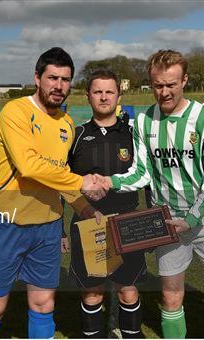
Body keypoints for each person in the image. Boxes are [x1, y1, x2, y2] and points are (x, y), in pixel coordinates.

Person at [95, 50, 204, 338]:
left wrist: (193, 218)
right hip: (168, 222)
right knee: (171, 300)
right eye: (158, 85)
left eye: (171, 84)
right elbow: (143, 173)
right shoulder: (144, 122)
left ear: (184, 80)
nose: (164, 92)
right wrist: (108, 182)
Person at [0, 47, 105, 339]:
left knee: (44, 305)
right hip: (8, 223)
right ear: (37, 78)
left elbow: (60, 177)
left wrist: (86, 209)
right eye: (52, 77)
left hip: (47, 228)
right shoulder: (16, 112)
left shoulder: (67, 125)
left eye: (66, 79)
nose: (59, 86)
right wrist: (82, 182)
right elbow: (29, 166)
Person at [65, 70, 146, 338]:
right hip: (89, 224)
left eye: (109, 91)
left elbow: (145, 176)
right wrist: (61, 231)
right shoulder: (76, 136)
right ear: (88, 95)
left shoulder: (133, 135)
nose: (103, 97)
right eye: (97, 91)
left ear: (119, 95)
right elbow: (62, 184)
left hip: (127, 222)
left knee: (128, 289)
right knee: (92, 293)